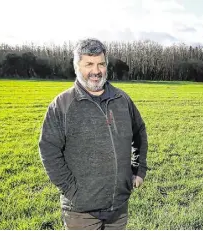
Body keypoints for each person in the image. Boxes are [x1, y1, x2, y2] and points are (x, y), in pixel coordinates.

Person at [38, 38, 148, 230]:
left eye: (101, 64)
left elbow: (139, 132)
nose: (96, 71)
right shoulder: (62, 105)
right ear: (76, 66)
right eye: (89, 64)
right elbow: (48, 150)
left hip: (119, 207)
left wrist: (139, 169)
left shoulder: (122, 99)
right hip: (81, 212)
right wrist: (72, 191)